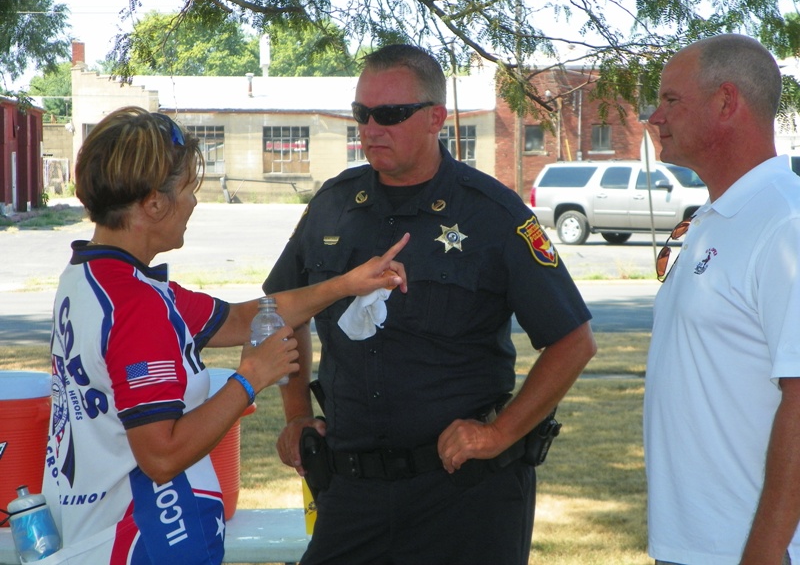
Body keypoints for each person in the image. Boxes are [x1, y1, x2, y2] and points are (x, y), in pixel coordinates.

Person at [263, 44, 596, 565]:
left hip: (463, 495)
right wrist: (297, 415)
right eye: (362, 113)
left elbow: (573, 340)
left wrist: (499, 433)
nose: (371, 128)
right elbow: (283, 312)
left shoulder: (491, 213)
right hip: (352, 490)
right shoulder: (333, 204)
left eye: (391, 114)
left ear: (435, 118)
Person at [43, 106, 409, 565]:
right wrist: (250, 378)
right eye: (187, 189)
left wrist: (346, 285)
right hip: (135, 542)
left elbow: (240, 319)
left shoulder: (93, 275)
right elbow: (161, 457)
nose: (194, 203)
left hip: (91, 530)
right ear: (154, 204)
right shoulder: (136, 305)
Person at [644, 34, 800, 564]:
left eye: (671, 100)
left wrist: (765, 551)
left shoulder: (785, 222)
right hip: (694, 546)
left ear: (726, 101)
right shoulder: (717, 217)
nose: (655, 117)